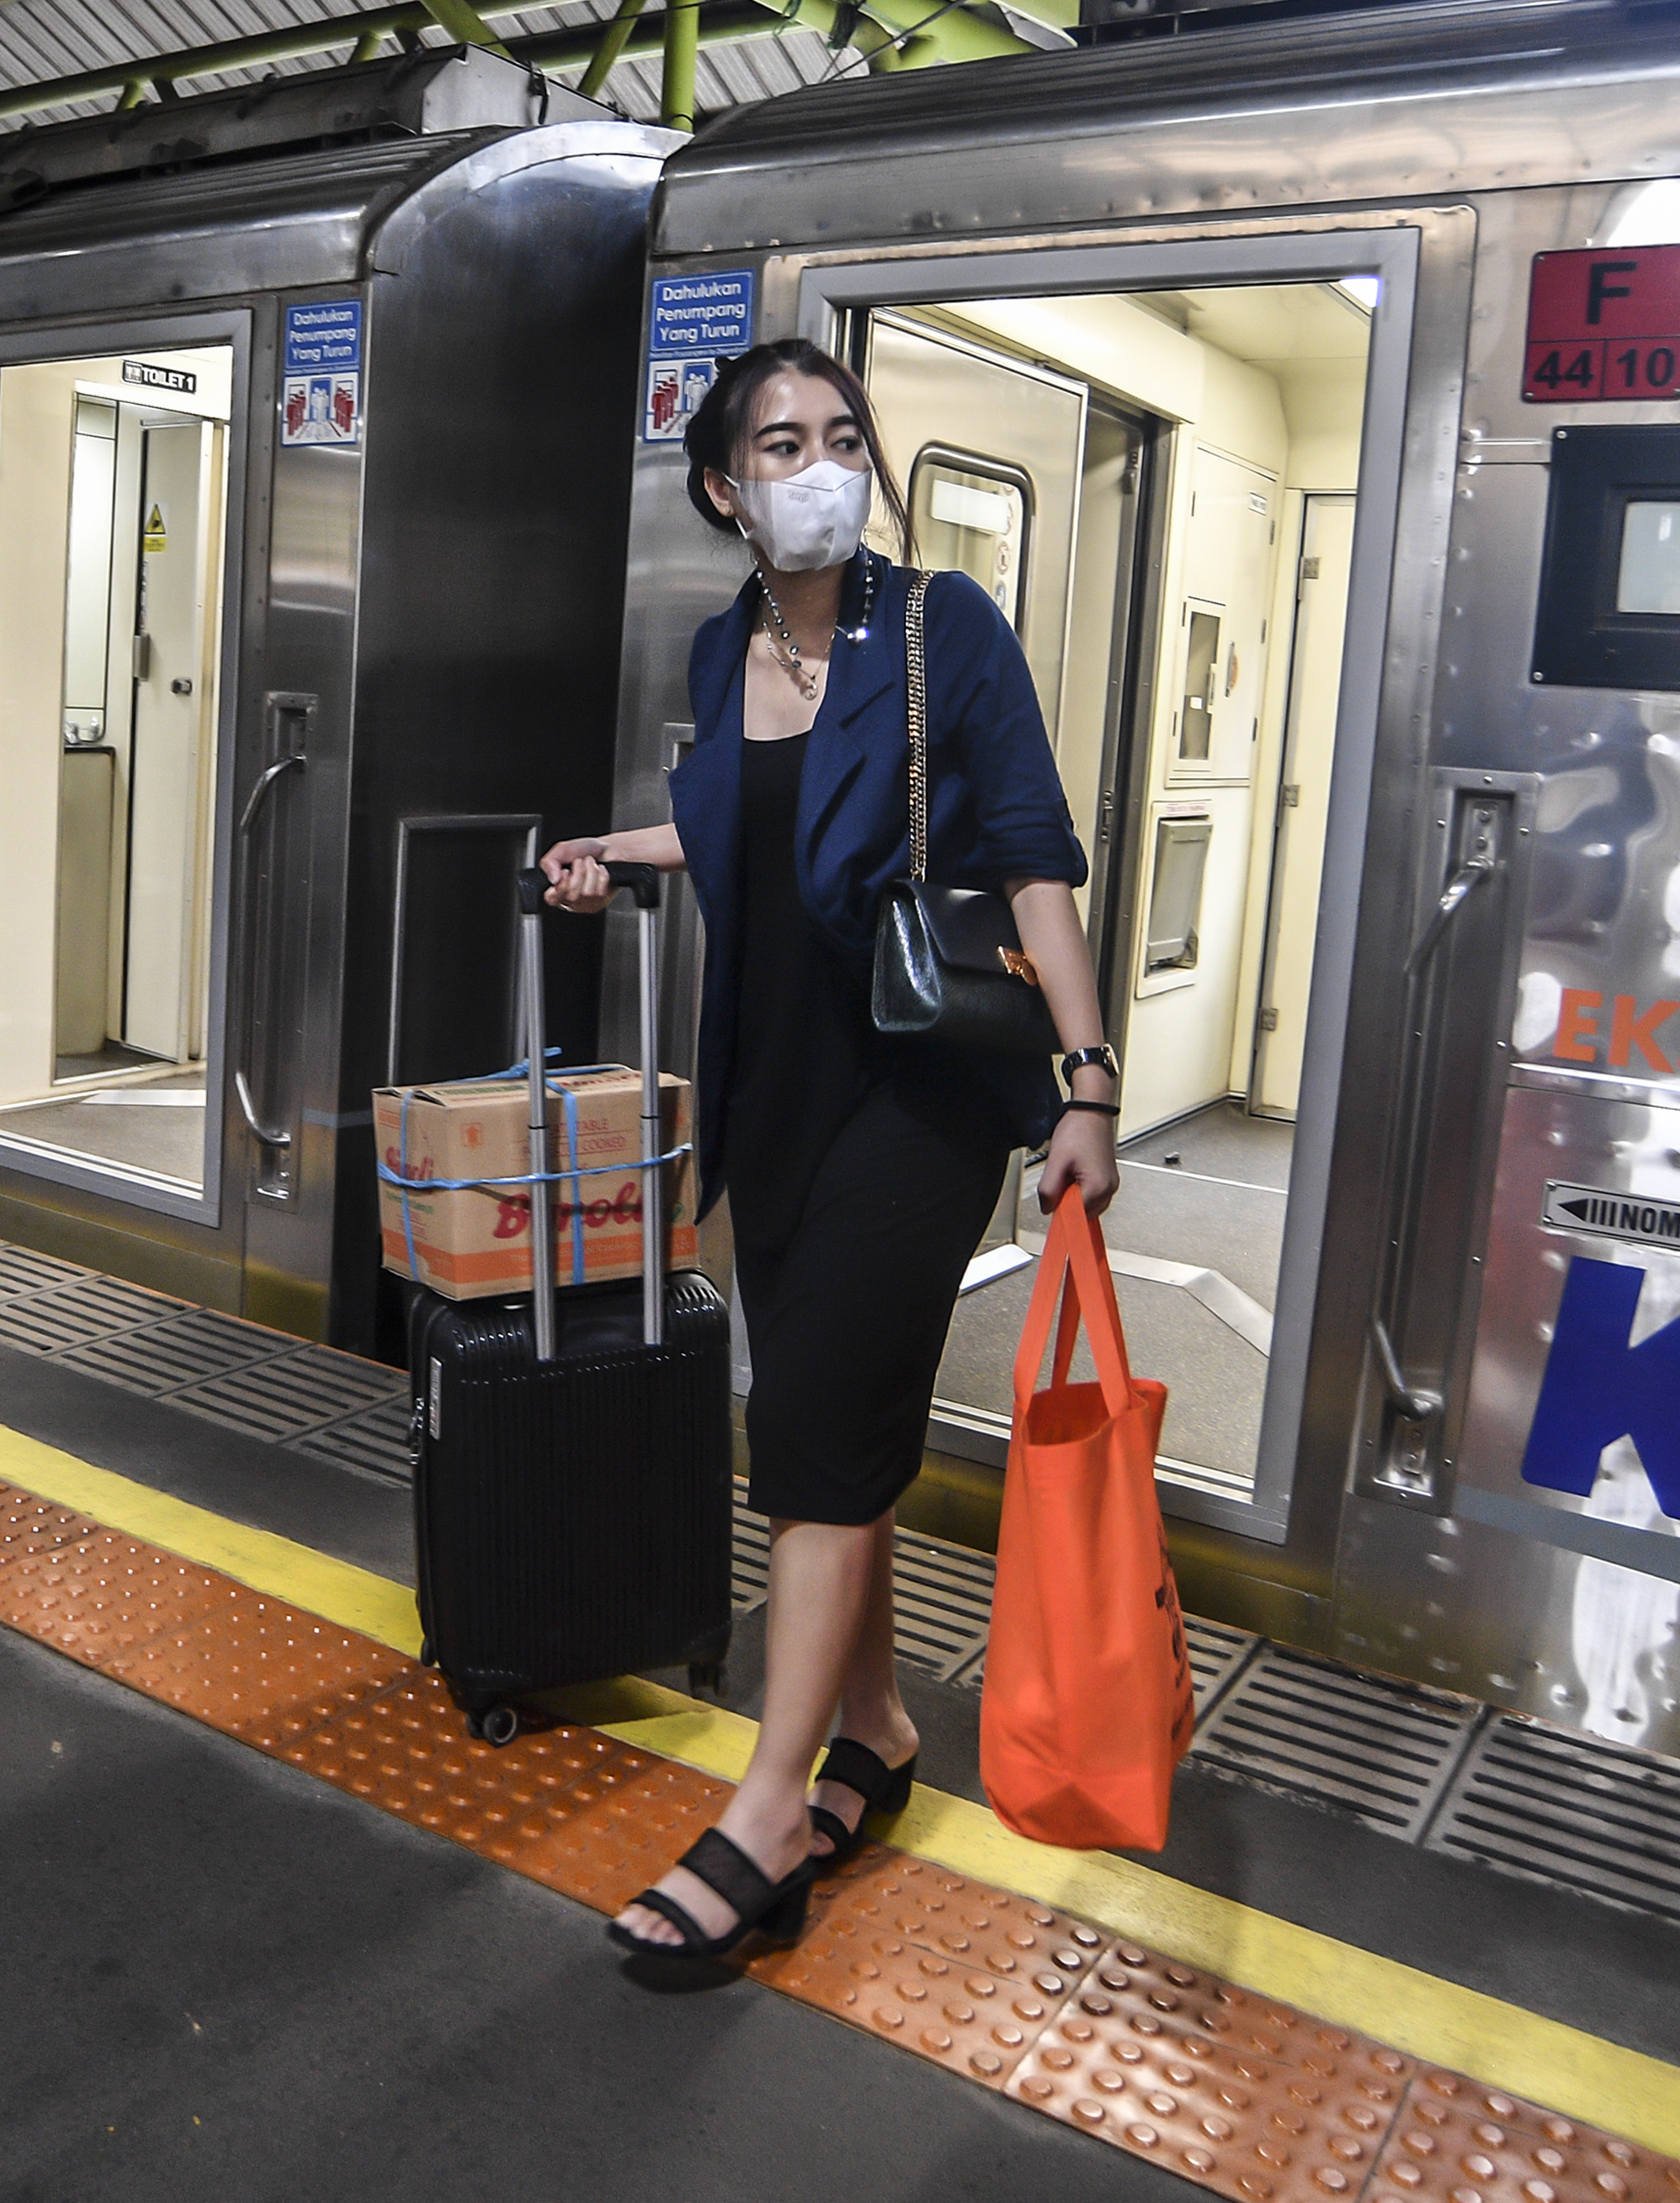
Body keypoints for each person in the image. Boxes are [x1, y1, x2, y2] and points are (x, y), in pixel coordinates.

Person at [540, 338, 1121, 1965]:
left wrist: (1086, 1081)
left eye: (844, 435)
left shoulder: (941, 625)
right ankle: (877, 1725)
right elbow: (745, 822)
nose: (822, 466)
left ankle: (767, 1810)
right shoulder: (719, 643)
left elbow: (1031, 857)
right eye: (783, 444)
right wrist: (612, 851)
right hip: (776, 1091)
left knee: (804, 1429)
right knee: (826, 1422)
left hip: (918, 1094)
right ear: (725, 488)